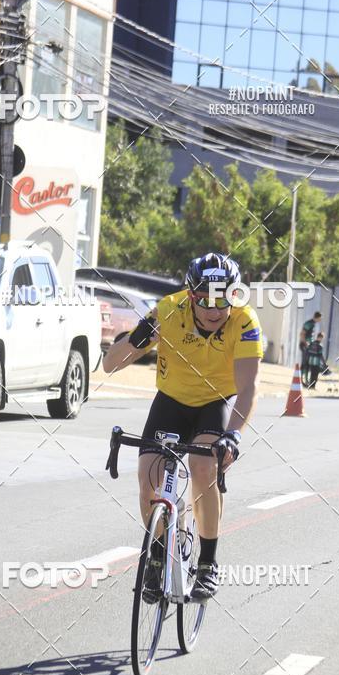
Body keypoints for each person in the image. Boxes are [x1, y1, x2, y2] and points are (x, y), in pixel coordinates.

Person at [103, 252, 263, 602]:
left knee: (203, 467)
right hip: (171, 401)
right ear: (190, 296)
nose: (214, 310)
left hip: (214, 403)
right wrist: (134, 340)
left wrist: (233, 436)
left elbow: (249, 387)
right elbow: (110, 366)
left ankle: (207, 563)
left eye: (222, 301)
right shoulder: (168, 311)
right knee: (148, 478)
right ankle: (158, 555)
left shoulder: (244, 321)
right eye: (204, 301)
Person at [299, 310, 322, 386]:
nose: (320, 320)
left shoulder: (313, 324)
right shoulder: (309, 323)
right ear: (317, 317)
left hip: (309, 346)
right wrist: (305, 343)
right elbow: (302, 333)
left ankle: (306, 380)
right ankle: (301, 380)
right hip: (305, 345)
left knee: (307, 364)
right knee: (305, 363)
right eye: (320, 318)